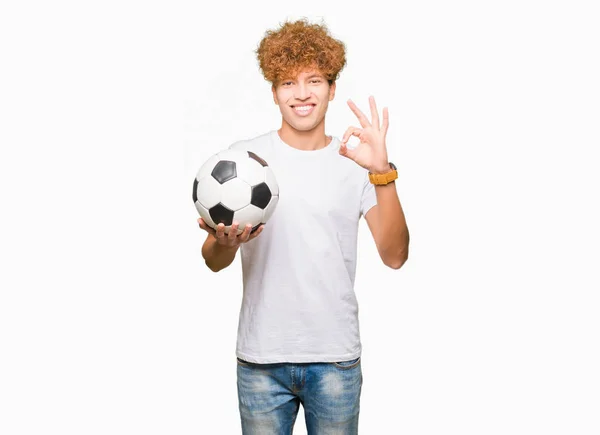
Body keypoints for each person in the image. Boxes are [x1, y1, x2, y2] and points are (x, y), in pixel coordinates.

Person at [197, 18, 409, 435]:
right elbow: (213, 262)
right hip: (261, 360)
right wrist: (225, 244)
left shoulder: (357, 163)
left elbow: (395, 256)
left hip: (334, 360)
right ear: (274, 93)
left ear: (331, 89)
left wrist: (382, 172)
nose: (302, 94)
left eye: (314, 80)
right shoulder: (243, 160)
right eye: (288, 83)